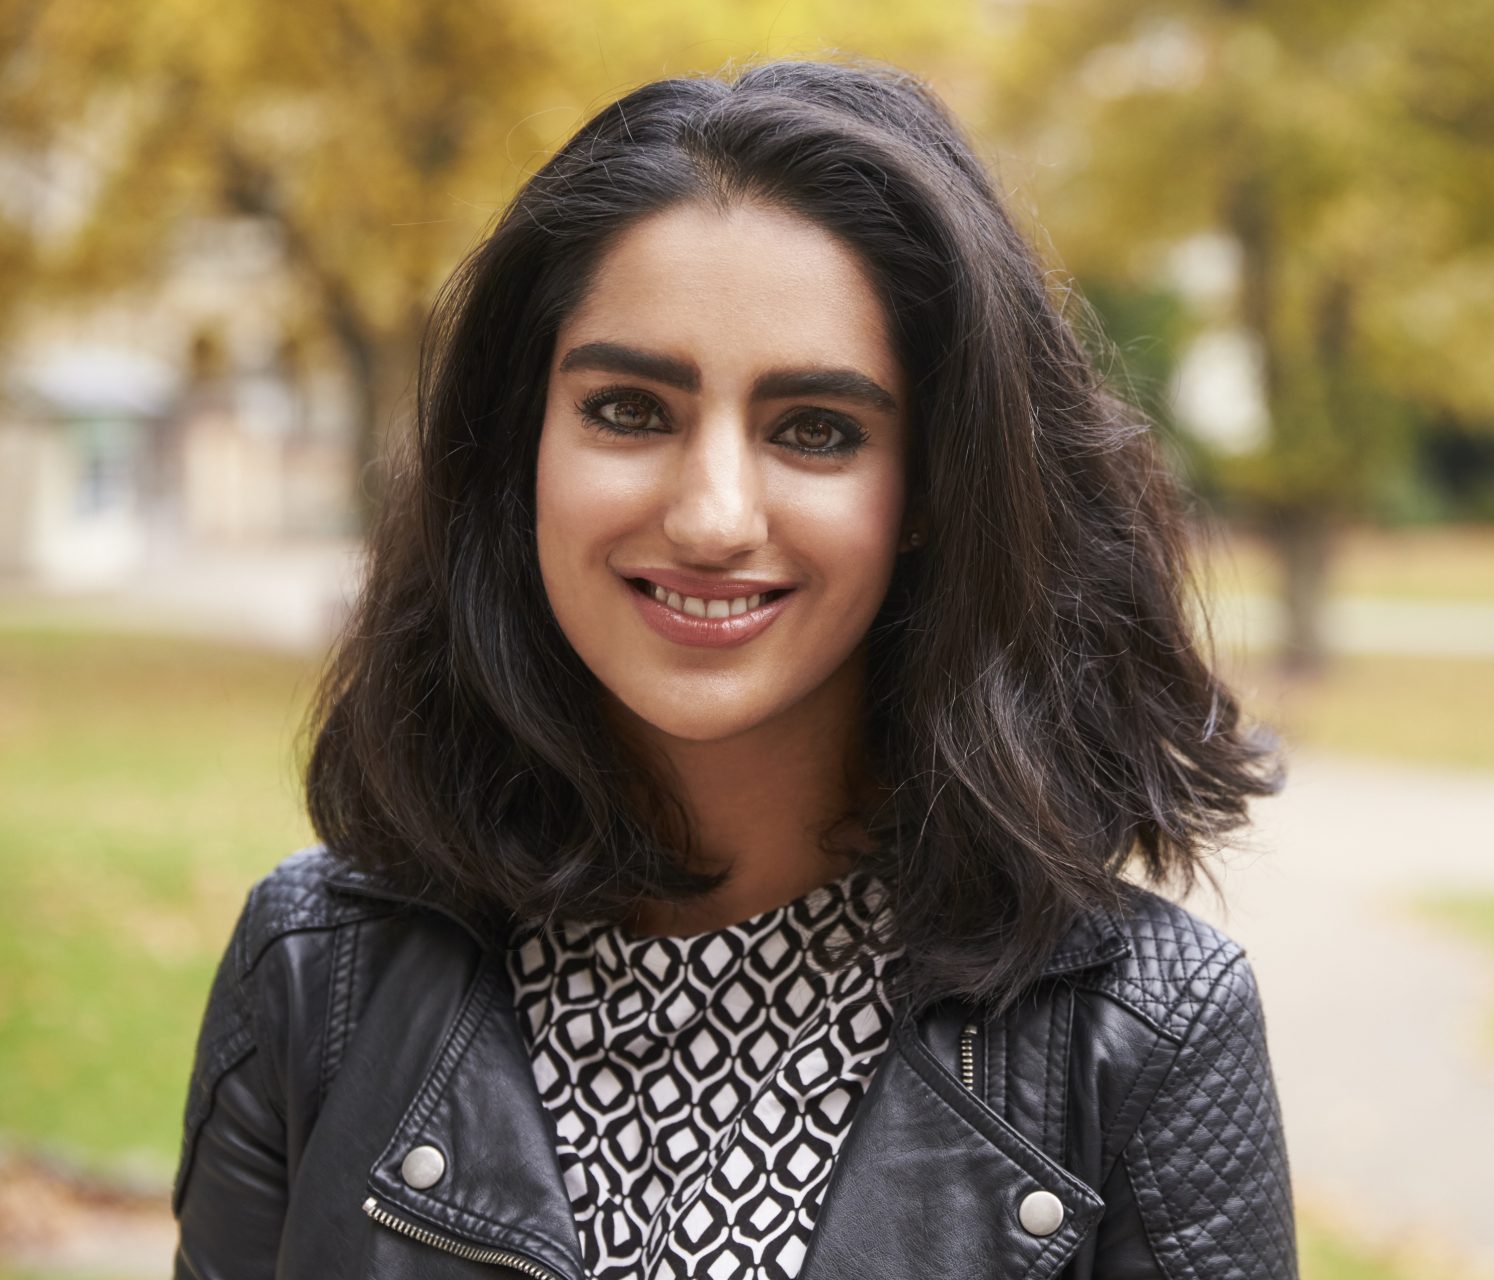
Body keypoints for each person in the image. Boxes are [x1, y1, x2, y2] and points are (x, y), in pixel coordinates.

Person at [172, 58, 1295, 1279]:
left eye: (816, 429)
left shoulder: (1144, 1030)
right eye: (630, 409)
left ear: (931, 488)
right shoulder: (315, 967)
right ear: (520, 448)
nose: (712, 515)